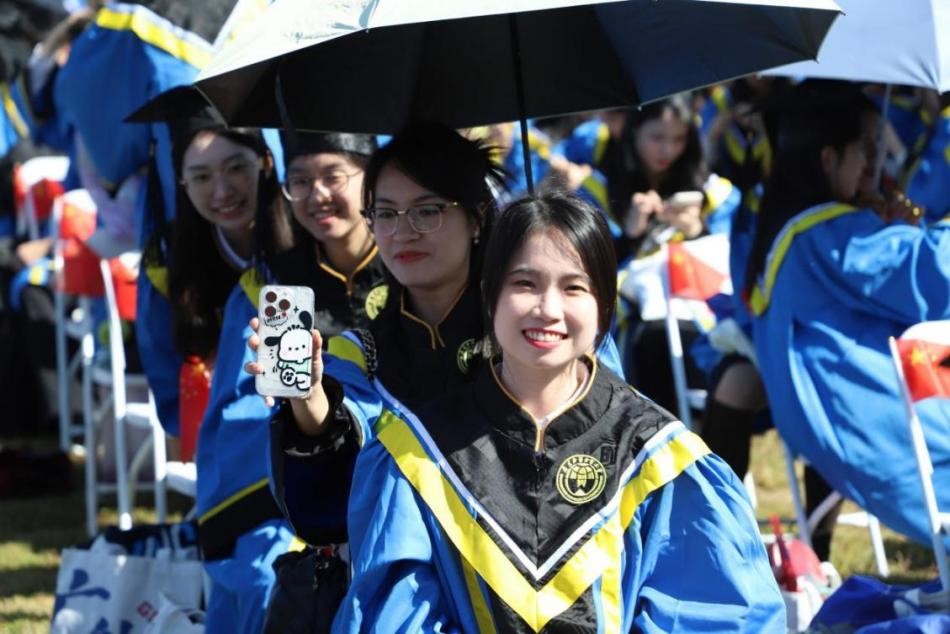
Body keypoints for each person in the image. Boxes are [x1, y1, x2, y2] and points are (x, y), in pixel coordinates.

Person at [335, 192, 786, 632]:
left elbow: (713, 613)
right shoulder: (418, 455)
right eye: (524, 284)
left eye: (574, 288)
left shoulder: (657, 456)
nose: (548, 309)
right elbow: (395, 616)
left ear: (603, 305)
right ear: (489, 296)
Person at [747, 83, 950, 552]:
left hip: (831, 410)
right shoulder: (825, 232)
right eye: (868, 148)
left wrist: (890, 226)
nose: (876, 161)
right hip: (868, 412)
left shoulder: (792, 222)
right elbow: (930, 275)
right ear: (829, 158)